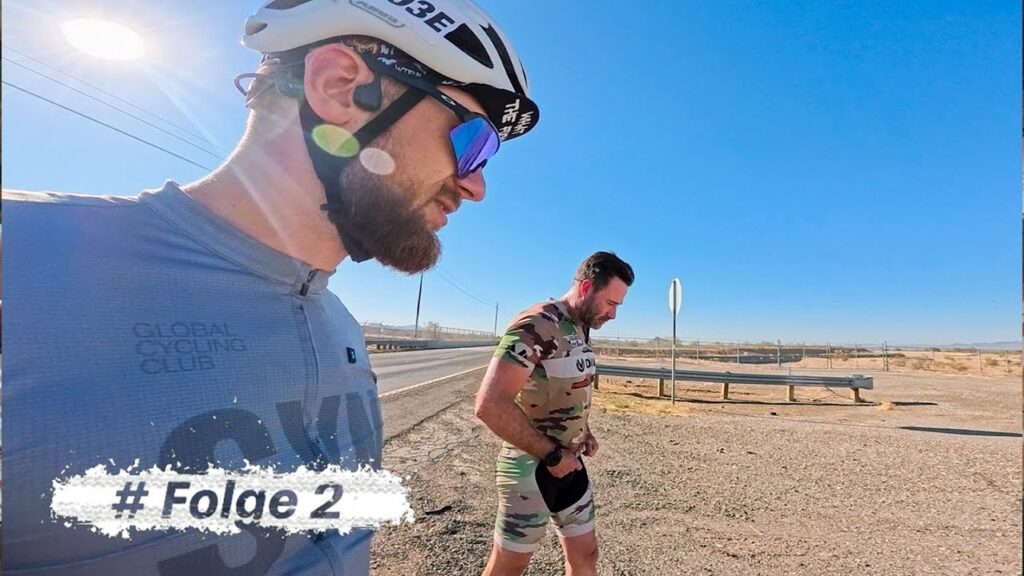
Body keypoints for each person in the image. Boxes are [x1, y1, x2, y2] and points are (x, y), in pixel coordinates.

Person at [0, 0, 538, 573]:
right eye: (474, 142)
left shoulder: (337, 323)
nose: (476, 186)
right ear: (339, 87)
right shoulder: (20, 263)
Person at [475, 251, 635, 576]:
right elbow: (489, 404)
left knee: (586, 555)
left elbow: (564, 388)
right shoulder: (538, 323)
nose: (613, 314)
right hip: (530, 468)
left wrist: (583, 430)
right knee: (510, 567)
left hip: (569, 464)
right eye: (610, 303)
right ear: (587, 287)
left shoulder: (579, 326)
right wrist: (551, 455)